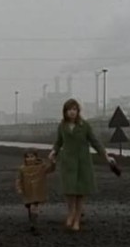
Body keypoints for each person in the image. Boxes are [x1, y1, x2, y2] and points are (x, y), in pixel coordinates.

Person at [48, 98, 115, 231]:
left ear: (78, 111)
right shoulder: (62, 126)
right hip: (68, 162)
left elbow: (95, 142)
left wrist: (106, 156)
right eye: (69, 109)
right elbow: (59, 142)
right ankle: (71, 213)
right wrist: (53, 151)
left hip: (83, 162)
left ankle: (77, 220)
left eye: (74, 109)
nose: (72, 112)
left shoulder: (85, 126)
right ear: (65, 112)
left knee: (81, 191)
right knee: (69, 190)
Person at [15, 149, 56, 235]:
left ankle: (35, 225)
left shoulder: (41, 167)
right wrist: (19, 188)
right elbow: (19, 180)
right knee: (29, 207)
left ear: (36, 157)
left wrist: (53, 162)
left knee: (34, 207)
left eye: (32, 156)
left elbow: (51, 169)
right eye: (27, 157)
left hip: (37, 191)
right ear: (25, 158)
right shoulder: (22, 169)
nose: (30, 159)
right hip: (27, 192)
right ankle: (32, 223)